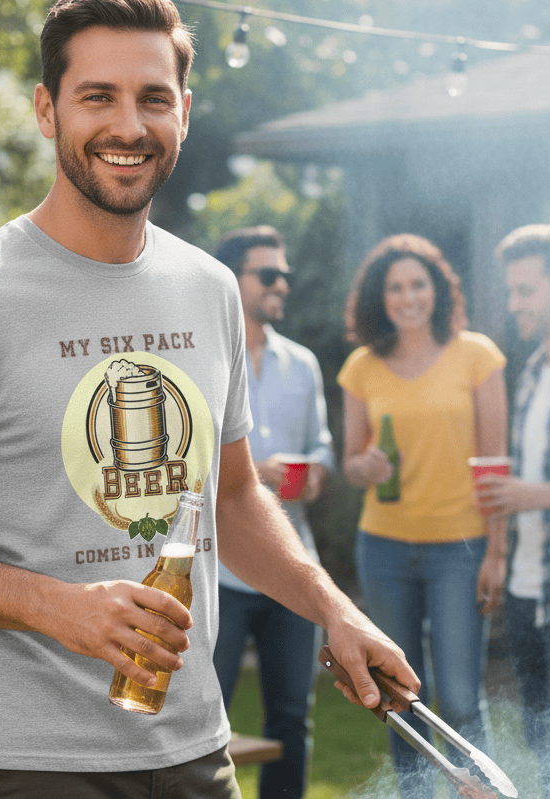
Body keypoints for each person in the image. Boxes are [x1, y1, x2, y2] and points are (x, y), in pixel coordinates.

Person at [0, 3, 418, 797]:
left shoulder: (210, 288)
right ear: (47, 110)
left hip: (191, 747)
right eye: (97, 96)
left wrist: (332, 608)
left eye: (152, 98)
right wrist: (58, 607)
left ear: (182, 111)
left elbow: (232, 493)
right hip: (30, 762)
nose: (129, 124)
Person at [337, 233, 508, 799]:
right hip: (384, 550)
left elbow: (494, 467)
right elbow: (352, 464)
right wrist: (367, 465)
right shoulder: (362, 366)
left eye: (417, 284)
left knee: (460, 698)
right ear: (378, 298)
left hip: (459, 550)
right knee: (400, 699)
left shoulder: (476, 356)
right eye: (395, 288)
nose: (407, 297)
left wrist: (498, 551)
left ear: (437, 289)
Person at [211, 226, 334, 799]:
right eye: (267, 274)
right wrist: (253, 473)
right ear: (232, 281)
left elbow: (323, 449)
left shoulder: (303, 364)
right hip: (222, 572)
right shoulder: (201, 354)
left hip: (290, 565)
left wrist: (313, 475)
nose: (281, 283)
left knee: (292, 719)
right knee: (204, 718)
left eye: (283, 274)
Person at [477, 224, 550, 799]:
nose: (515, 305)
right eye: (512, 291)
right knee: (541, 738)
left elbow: (540, 487)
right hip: (529, 588)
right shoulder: (532, 371)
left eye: (526, 290)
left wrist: (539, 495)